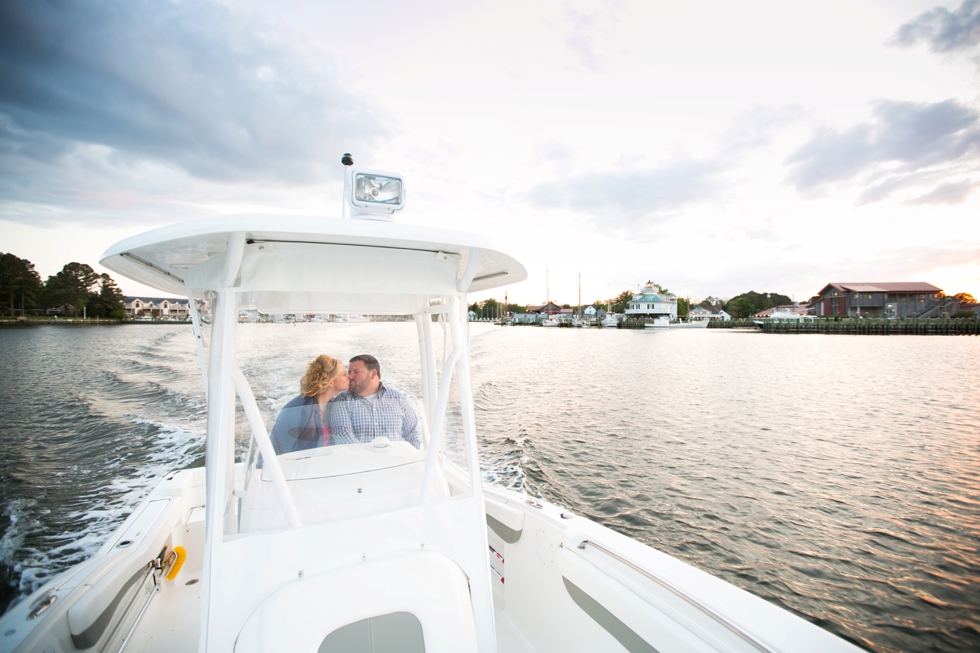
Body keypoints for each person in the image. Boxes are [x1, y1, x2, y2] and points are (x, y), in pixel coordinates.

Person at [328, 354, 422, 449]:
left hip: (396, 461)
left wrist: (408, 457)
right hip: (360, 462)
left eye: (356, 372)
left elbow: (413, 433)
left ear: (373, 374)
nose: (350, 376)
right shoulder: (342, 401)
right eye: (349, 372)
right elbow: (343, 436)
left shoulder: (398, 398)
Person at [269, 355, 349, 456]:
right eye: (344, 374)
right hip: (298, 468)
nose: (349, 376)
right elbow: (276, 450)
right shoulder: (298, 409)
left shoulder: (332, 406)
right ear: (330, 382)